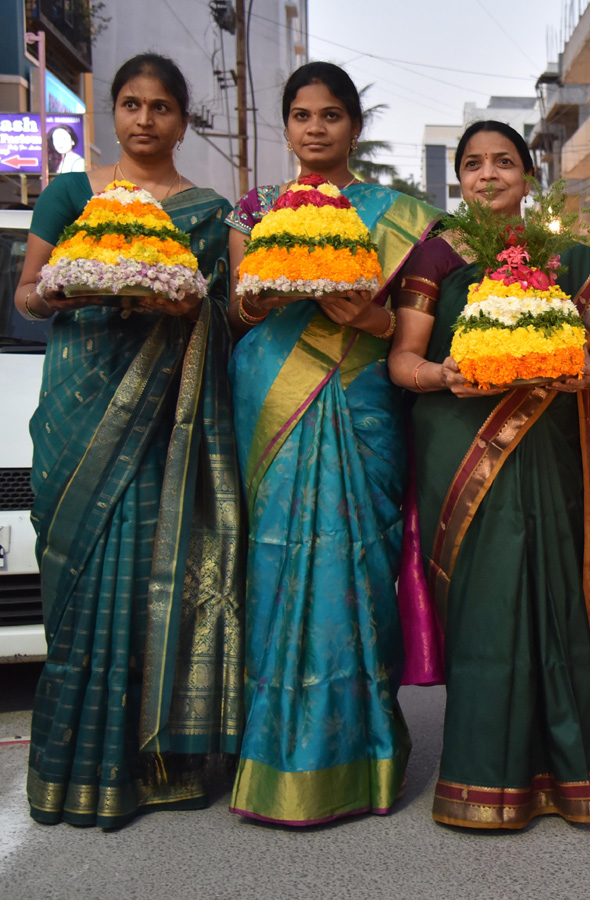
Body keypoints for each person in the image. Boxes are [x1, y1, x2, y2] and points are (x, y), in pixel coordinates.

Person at [15, 53, 241, 829]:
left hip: (162, 419)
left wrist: (187, 309)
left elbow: (225, 313)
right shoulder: (73, 193)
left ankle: (156, 764)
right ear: (112, 112)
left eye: (162, 107)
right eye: (131, 104)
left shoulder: (210, 212)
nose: (145, 119)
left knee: (157, 573)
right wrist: (66, 288)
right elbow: (29, 294)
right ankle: (74, 767)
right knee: (77, 584)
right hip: (81, 406)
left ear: (183, 119)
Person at [388, 120, 590, 829]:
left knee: (556, 600)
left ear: (529, 173)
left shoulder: (569, 258)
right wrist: (442, 373)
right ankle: (481, 779)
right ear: (459, 178)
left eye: (503, 162)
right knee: (486, 611)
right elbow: (404, 359)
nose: (488, 174)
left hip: (550, 452)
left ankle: (565, 776)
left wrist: (583, 371)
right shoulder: (435, 254)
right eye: (473, 164)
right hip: (462, 449)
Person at [225, 61, 440, 826]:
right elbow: (240, 310)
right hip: (274, 394)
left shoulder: (399, 215)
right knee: (281, 561)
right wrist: (273, 287)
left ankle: (366, 759)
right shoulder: (254, 209)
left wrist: (373, 322)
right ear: (285, 125)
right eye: (302, 115)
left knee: (359, 564)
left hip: (361, 399)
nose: (316, 129)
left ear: (354, 126)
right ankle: (278, 758)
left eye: (331, 116)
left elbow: (416, 324)